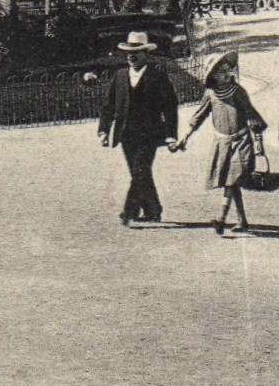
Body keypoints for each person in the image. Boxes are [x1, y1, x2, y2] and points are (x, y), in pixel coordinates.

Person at [173, 51, 269, 236]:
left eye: (228, 70)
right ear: (213, 76)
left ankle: (221, 218)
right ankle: (242, 221)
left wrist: (258, 146)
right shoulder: (210, 94)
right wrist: (185, 136)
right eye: (222, 72)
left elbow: (252, 116)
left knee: (232, 180)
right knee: (230, 182)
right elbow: (198, 116)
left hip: (241, 142)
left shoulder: (238, 92)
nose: (227, 75)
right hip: (221, 143)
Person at [97, 31, 179, 226]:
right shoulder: (120, 76)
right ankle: (153, 209)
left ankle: (129, 211)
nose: (132, 57)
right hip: (126, 133)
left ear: (146, 54)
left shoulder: (157, 76)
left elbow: (169, 106)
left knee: (140, 170)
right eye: (128, 53)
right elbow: (108, 105)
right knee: (138, 172)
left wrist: (170, 135)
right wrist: (103, 131)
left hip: (149, 134)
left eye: (137, 52)